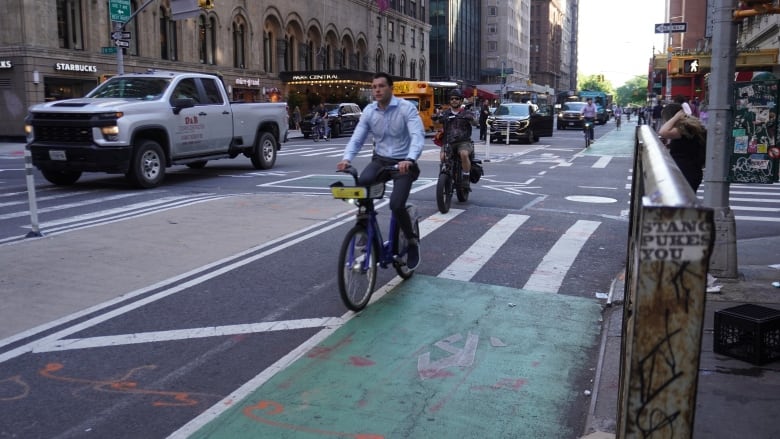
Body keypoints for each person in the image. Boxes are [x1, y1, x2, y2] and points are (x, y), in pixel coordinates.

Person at [337, 72, 425, 269]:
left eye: (381, 86)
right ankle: (364, 226)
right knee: (363, 183)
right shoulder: (369, 111)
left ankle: (411, 242)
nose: (377, 90)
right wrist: (346, 159)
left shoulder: (406, 109)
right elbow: (357, 138)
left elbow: (417, 136)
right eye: (374, 86)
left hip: (403, 163)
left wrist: (410, 159)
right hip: (380, 160)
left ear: (391, 88)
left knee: (396, 204)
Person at [658, 102, 707, 192]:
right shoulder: (689, 127)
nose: (665, 122)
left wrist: (676, 117)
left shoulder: (684, 128)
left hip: (686, 173)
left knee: (682, 202)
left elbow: (663, 132)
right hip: (691, 171)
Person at [434, 89, 476, 189]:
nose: (454, 100)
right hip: (448, 141)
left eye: (456, 98)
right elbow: (436, 124)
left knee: (464, 154)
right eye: (452, 98)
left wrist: (471, 119)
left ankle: (466, 176)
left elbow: (475, 122)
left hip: (464, 142)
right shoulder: (445, 113)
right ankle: (445, 174)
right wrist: (435, 118)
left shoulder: (466, 112)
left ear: (461, 101)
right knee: (443, 157)